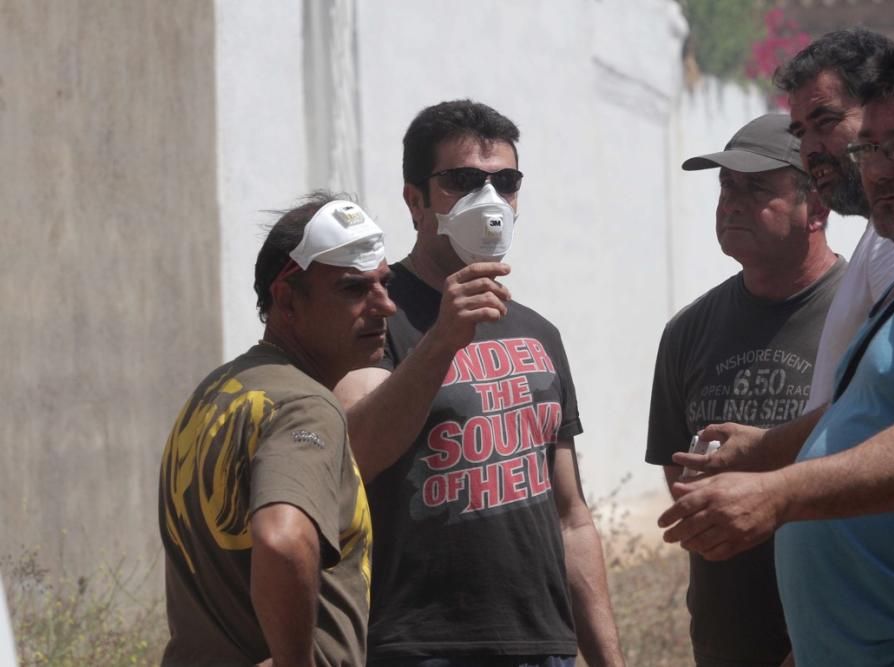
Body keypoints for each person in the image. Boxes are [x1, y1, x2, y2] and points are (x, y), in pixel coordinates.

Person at [660, 39, 894, 667]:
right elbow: (874, 416)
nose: (876, 169)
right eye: (869, 148)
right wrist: (768, 449)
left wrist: (778, 491)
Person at [334, 100, 623, 667]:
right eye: (463, 181)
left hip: (544, 648)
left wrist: (608, 661)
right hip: (421, 648)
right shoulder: (373, 318)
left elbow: (570, 517)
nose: (488, 200)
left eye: (505, 181)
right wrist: (442, 338)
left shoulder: (540, 334)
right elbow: (353, 456)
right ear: (415, 201)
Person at [159, 194, 394, 667]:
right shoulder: (305, 406)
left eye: (384, 284)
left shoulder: (216, 390)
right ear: (287, 300)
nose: (384, 305)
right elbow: (282, 540)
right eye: (353, 289)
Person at [646, 113, 845, 667]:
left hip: (841, 638)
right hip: (725, 643)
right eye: (725, 186)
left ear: (819, 206)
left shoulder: (866, 314)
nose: (732, 201)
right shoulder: (688, 331)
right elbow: (677, 469)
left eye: (757, 186)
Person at [674, 28, 894, 481]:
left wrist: (773, 494)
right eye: (803, 132)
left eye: (825, 122)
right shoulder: (689, 329)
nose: (812, 150)